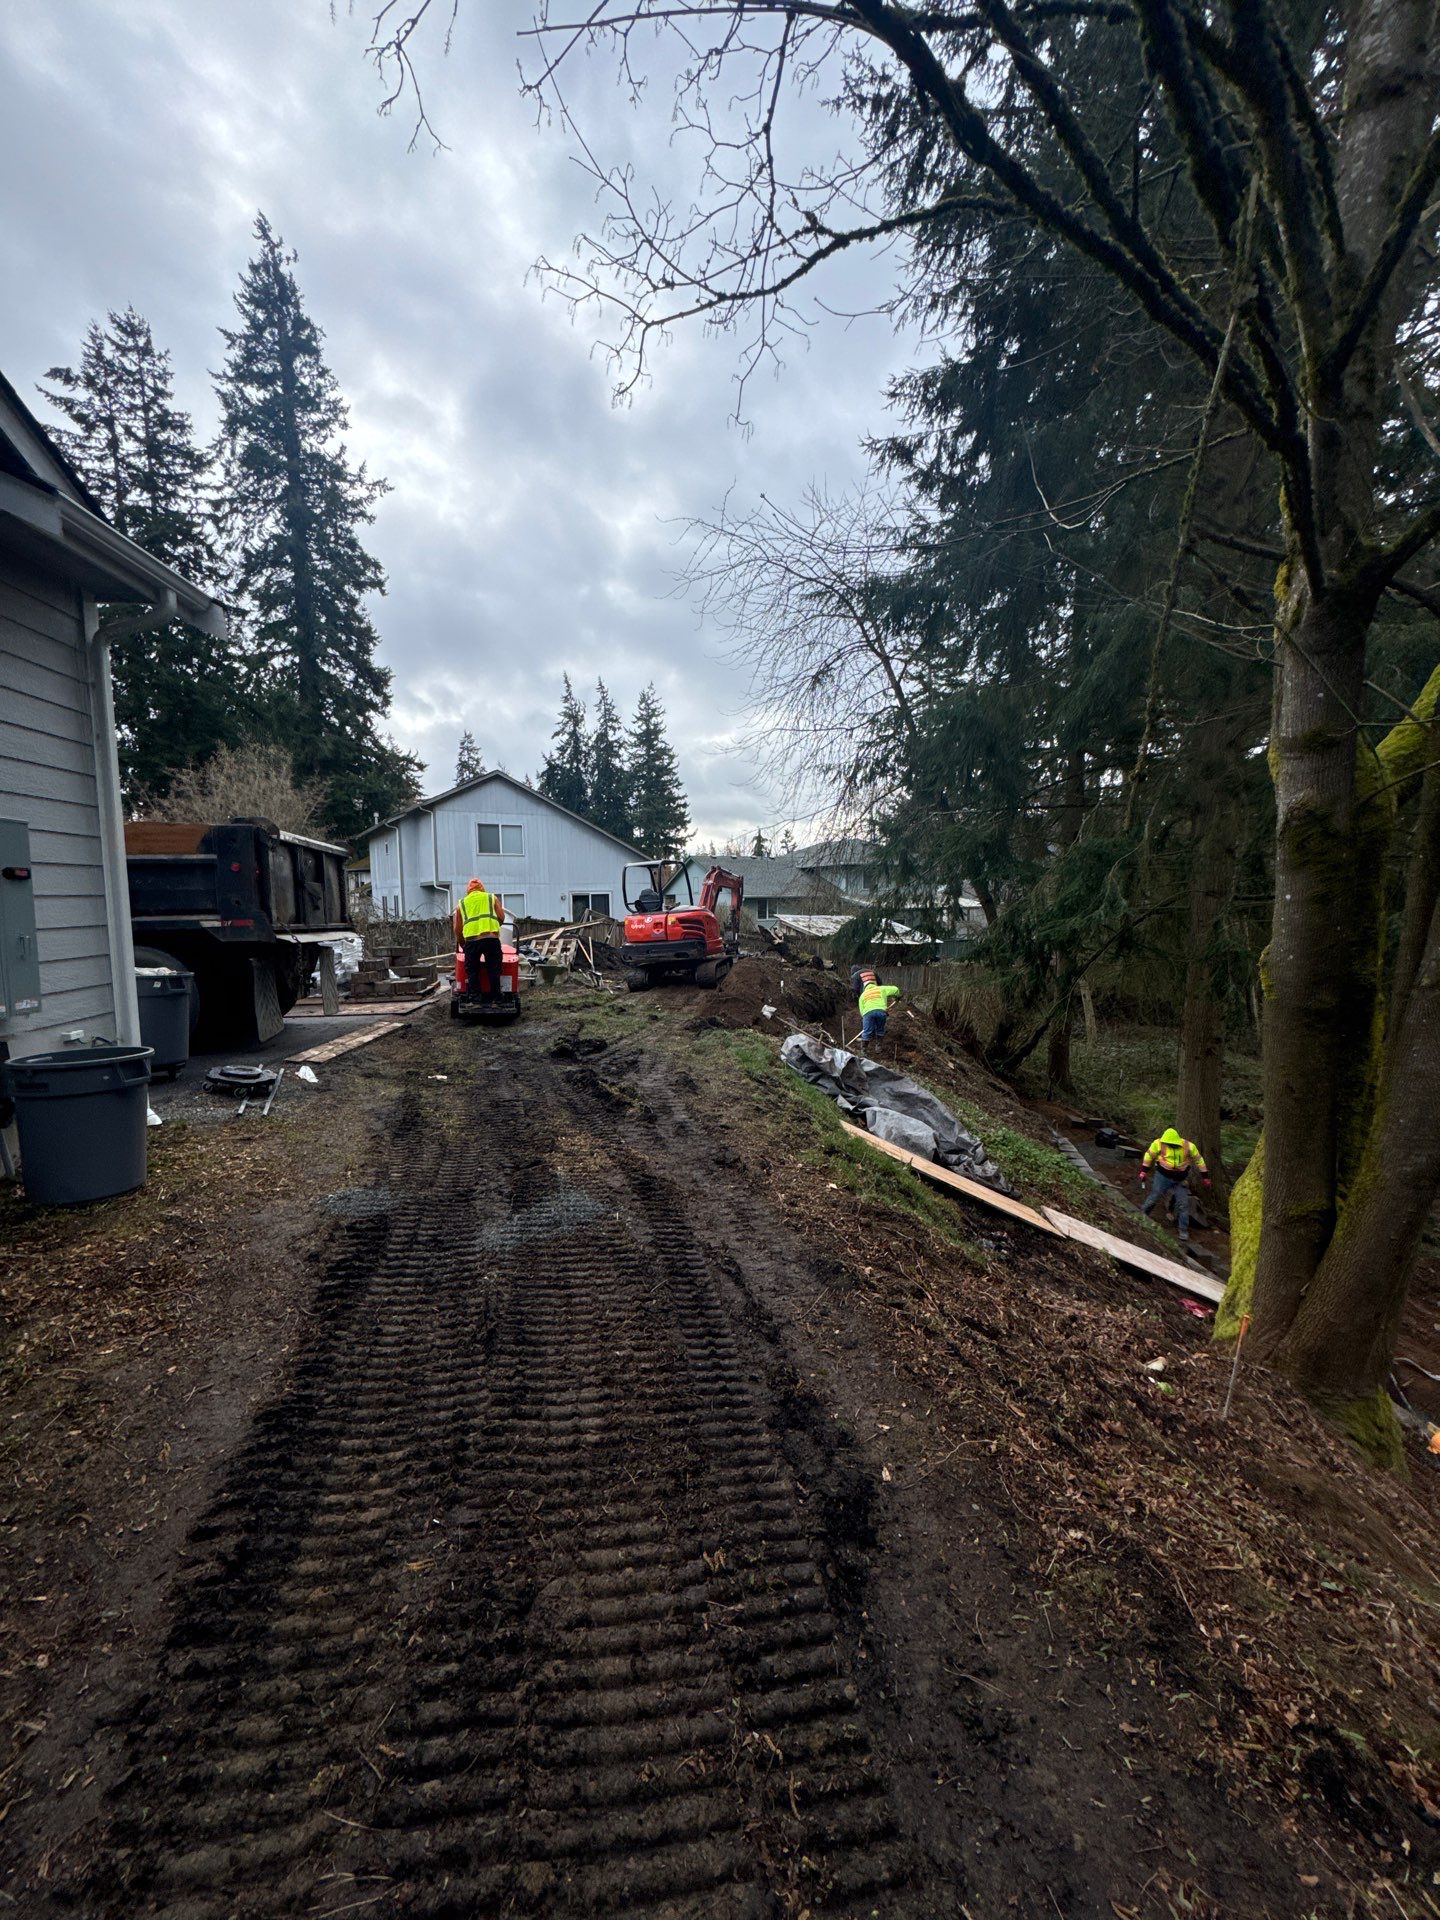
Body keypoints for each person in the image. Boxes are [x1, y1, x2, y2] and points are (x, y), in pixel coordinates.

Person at [1139, 1127, 1210, 1241]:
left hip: (1180, 1179)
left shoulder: (1189, 1146)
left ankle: (1183, 1230)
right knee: (1154, 1196)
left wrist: (1205, 1176)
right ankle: (1141, 1215)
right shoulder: (1158, 1143)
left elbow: (1199, 1160)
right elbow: (1149, 1155)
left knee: (1183, 1203)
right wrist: (1144, 1171)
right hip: (1163, 1177)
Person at [454, 877, 504, 1005]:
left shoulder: (462, 904)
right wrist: (493, 928)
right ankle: (497, 998)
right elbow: (501, 917)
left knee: (472, 970)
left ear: (468, 890)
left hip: (471, 941)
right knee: (494, 969)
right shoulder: (491, 897)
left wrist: (462, 943)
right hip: (491, 939)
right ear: (482, 888)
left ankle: (475, 999)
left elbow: (457, 929)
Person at [857, 973, 900, 1045]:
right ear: (875, 984)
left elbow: (861, 1010)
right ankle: (878, 1047)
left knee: (867, 1031)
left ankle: (863, 1051)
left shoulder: (863, 995)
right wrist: (897, 996)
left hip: (867, 1013)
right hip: (881, 1012)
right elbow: (896, 989)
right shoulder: (881, 988)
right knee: (880, 1029)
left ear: (864, 987)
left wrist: (865, 1018)